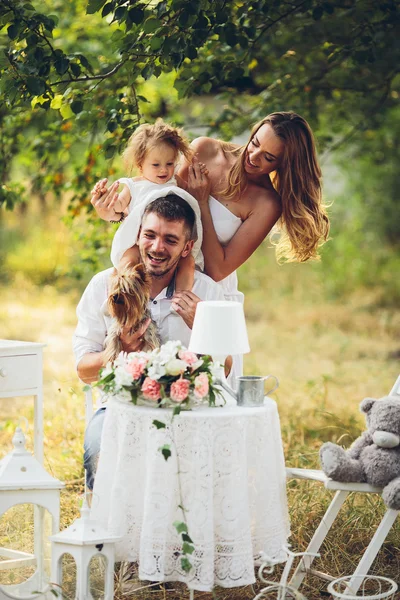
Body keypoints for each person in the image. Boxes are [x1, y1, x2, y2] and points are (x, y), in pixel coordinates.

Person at [92, 111, 329, 376]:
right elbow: (160, 203)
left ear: (286, 163)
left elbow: (218, 269)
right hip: (159, 274)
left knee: (204, 380)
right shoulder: (205, 150)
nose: (253, 157)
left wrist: (202, 202)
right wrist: (114, 213)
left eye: (269, 158)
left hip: (206, 293)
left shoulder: (266, 203)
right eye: (255, 143)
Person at [73, 194, 227, 490]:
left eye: (170, 240)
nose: (157, 247)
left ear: (187, 247)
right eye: (150, 235)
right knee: (98, 450)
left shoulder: (206, 291)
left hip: (187, 409)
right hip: (119, 407)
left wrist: (202, 326)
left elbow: (227, 367)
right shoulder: (103, 286)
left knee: (205, 460)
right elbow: (83, 370)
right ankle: (106, 533)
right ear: (138, 235)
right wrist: (120, 351)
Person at [91, 119, 207, 290]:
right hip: (138, 240)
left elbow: (187, 197)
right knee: (128, 261)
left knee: (188, 262)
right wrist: (107, 200)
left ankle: (182, 296)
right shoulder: (134, 185)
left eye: (169, 164)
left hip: (168, 237)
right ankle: (124, 294)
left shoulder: (174, 181)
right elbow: (119, 207)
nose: (163, 170)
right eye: (156, 165)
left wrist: (199, 177)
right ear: (140, 164)